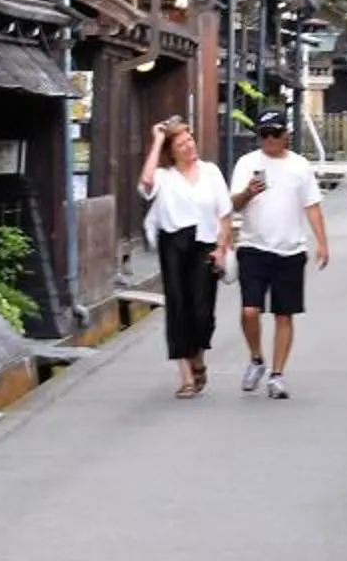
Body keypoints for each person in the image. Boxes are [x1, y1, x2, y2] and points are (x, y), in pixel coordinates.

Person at [221, 105, 327, 399]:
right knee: (250, 310)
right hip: (253, 246)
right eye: (264, 134)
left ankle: (277, 375)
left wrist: (322, 242)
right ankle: (256, 359)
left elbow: (312, 205)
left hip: (290, 249)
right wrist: (248, 193)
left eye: (275, 134)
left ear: (286, 135)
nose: (269, 139)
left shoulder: (300, 166)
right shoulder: (247, 163)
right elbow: (232, 204)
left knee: (284, 314)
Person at [139, 118, 232, 399]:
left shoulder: (211, 172)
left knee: (203, 310)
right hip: (174, 242)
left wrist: (221, 248)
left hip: (205, 242)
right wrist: (157, 139)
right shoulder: (165, 176)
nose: (189, 146)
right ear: (171, 151)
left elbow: (224, 213)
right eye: (180, 144)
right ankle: (186, 377)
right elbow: (146, 182)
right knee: (178, 305)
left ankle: (198, 357)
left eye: (189, 140)